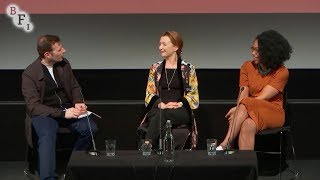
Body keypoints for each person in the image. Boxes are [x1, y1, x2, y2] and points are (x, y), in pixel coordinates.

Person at [22, 35, 98, 180]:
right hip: (45, 113)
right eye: (59, 49)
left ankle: (72, 167)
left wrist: (78, 101)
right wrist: (62, 114)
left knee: (90, 129)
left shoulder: (64, 64)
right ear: (47, 54)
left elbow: (74, 86)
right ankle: (48, 177)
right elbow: (34, 107)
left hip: (67, 109)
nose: (64, 50)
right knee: (47, 135)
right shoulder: (30, 74)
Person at [217, 30, 292, 151]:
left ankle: (225, 144)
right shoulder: (247, 67)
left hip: (272, 112)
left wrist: (239, 109)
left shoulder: (282, 72)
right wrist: (241, 106)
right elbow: (243, 93)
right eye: (253, 49)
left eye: (258, 50)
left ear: (270, 52)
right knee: (247, 125)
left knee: (247, 103)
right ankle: (247, 167)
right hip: (250, 110)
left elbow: (262, 97)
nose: (253, 53)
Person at [142, 30, 199, 149]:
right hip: (160, 108)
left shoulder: (188, 69)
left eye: (164, 44)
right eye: (160, 44)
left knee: (163, 115)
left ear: (175, 47)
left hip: (180, 110)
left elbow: (193, 95)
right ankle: (165, 156)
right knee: (160, 115)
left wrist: (179, 103)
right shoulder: (155, 68)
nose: (160, 47)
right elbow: (149, 93)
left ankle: (147, 144)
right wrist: (161, 104)